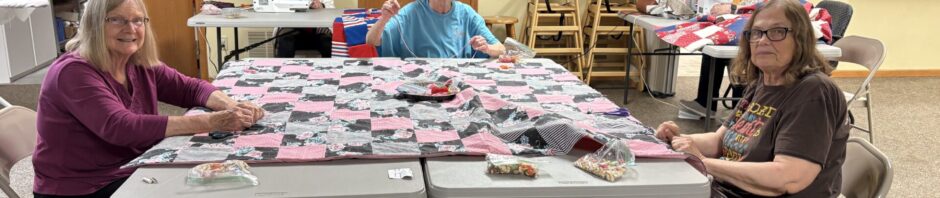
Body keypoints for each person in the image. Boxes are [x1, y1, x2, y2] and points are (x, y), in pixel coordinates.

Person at [33, 0, 264, 197]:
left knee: (227, 176)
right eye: (117, 20)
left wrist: (233, 106)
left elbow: (191, 89)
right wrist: (214, 122)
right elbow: (121, 127)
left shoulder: (138, 62)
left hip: (130, 167)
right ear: (94, 24)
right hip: (81, 186)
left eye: (138, 20)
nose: (131, 29)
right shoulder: (73, 72)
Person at [655, 0, 849, 197]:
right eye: (756, 33)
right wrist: (676, 141)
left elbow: (788, 177)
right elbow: (719, 140)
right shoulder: (763, 82)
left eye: (777, 31)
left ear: (801, 39)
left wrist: (703, 162)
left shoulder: (814, 92)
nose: (762, 41)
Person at [365, 0, 506, 58]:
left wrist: (487, 48)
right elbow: (371, 41)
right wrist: (383, 18)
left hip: (457, 85)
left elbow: (501, 49)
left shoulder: (467, 13)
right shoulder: (410, 12)